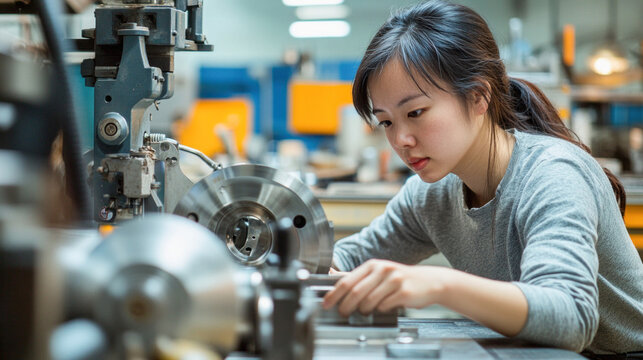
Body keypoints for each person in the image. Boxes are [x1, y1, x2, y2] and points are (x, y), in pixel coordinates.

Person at [323, 0, 643, 356]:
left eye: (415, 112)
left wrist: (440, 284)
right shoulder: (431, 196)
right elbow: (345, 260)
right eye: (386, 121)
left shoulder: (551, 174)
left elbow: (570, 317)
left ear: (478, 97)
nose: (401, 140)